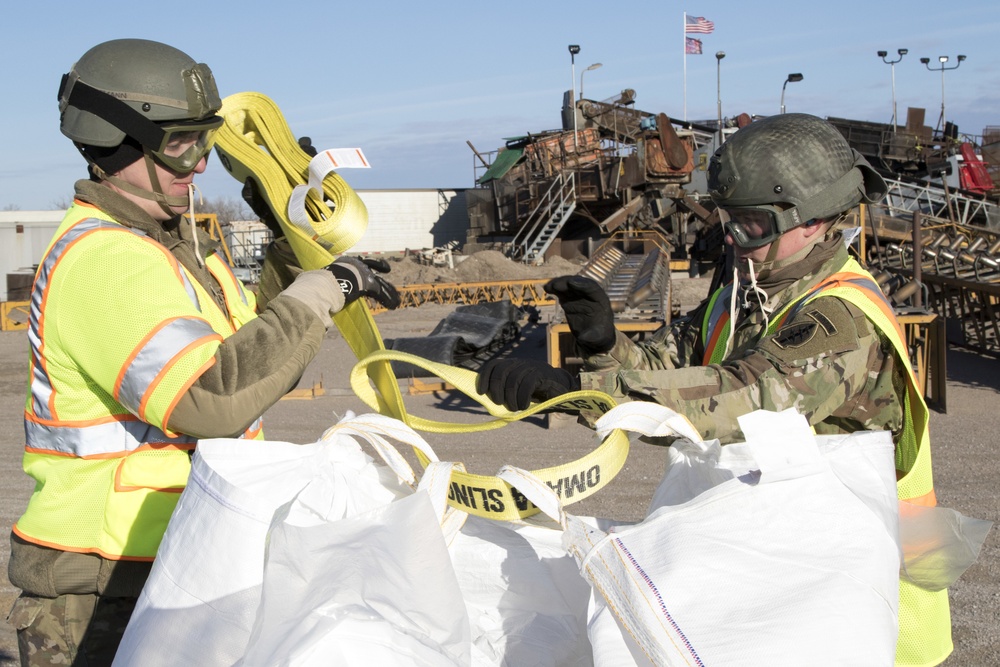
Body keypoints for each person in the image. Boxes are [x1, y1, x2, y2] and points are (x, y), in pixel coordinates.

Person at [477, 113, 952, 666]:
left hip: (845, 583)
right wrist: (606, 345)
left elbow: (739, 398)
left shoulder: (841, 318)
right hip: (770, 554)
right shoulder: (749, 290)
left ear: (815, 220)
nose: (730, 236)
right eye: (727, 218)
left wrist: (581, 392)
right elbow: (673, 360)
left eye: (750, 223)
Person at [6, 38, 399, 666]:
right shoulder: (105, 259)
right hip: (99, 595)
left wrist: (290, 250)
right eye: (180, 142)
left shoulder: (177, 248)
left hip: (169, 566)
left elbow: (247, 354)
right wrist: (322, 292)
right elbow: (210, 399)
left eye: (206, 140)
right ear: (115, 140)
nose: (200, 164)